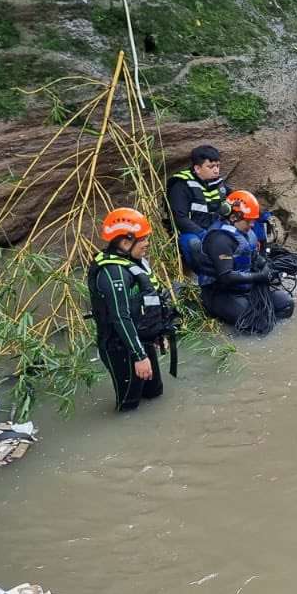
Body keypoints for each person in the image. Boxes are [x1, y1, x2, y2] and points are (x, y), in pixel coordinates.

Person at [88, 207, 177, 412]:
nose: (147, 244)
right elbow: (120, 316)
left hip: (141, 340)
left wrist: (158, 332)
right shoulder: (112, 273)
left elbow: (149, 300)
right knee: (129, 407)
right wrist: (138, 356)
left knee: (154, 394)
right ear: (126, 242)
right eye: (143, 239)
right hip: (121, 347)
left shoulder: (135, 262)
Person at [200, 190, 294, 333]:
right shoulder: (219, 239)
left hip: (246, 289)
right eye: (249, 221)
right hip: (220, 293)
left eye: (253, 220)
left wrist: (266, 267)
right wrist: (260, 276)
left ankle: (267, 321)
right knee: (258, 325)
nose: (252, 225)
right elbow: (226, 277)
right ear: (233, 217)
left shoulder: (245, 232)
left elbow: (254, 257)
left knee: (286, 303)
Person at [166, 145, 231, 272]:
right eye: (211, 167)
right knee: (194, 244)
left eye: (217, 166)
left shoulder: (217, 182)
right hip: (191, 232)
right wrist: (204, 235)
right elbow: (179, 218)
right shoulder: (181, 185)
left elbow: (235, 198)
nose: (216, 171)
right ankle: (202, 275)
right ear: (197, 168)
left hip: (215, 227)